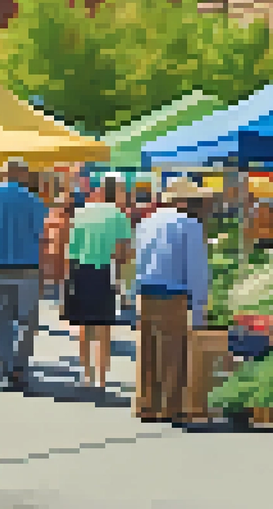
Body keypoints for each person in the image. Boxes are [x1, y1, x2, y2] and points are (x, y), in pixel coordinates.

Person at [133, 178, 211, 422]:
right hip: (173, 294)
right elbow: (196, 268)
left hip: (146, 292)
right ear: (184, 200)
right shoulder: (189, 225)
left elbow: (138, 259)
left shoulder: (146, 222)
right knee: (173, 353)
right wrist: (199, 307)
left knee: (149, 349)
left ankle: (146, 404)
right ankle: (170, 407)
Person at [0, 158, 47, 392]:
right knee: (26, 321)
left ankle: (6, 369)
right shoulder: (33, 201)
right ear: (23, 175)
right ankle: (20, 367)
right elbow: (41, 235)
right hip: (27, 266)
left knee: (1, 321)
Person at [65, 176, 134, 389]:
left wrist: (67, 282)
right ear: (118, 192)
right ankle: (101, 378)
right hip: (106, 271)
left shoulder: (81, 212)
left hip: (81, 271)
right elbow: (122, 253)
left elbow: (72, 251)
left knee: (85, 326)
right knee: (104, 326)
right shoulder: (119, 216)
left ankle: (87, 375)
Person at [42, 194, 73, 302]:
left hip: (60, 250)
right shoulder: (52, 217)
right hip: (54, 249)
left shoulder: (65, 219)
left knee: (60, 271)